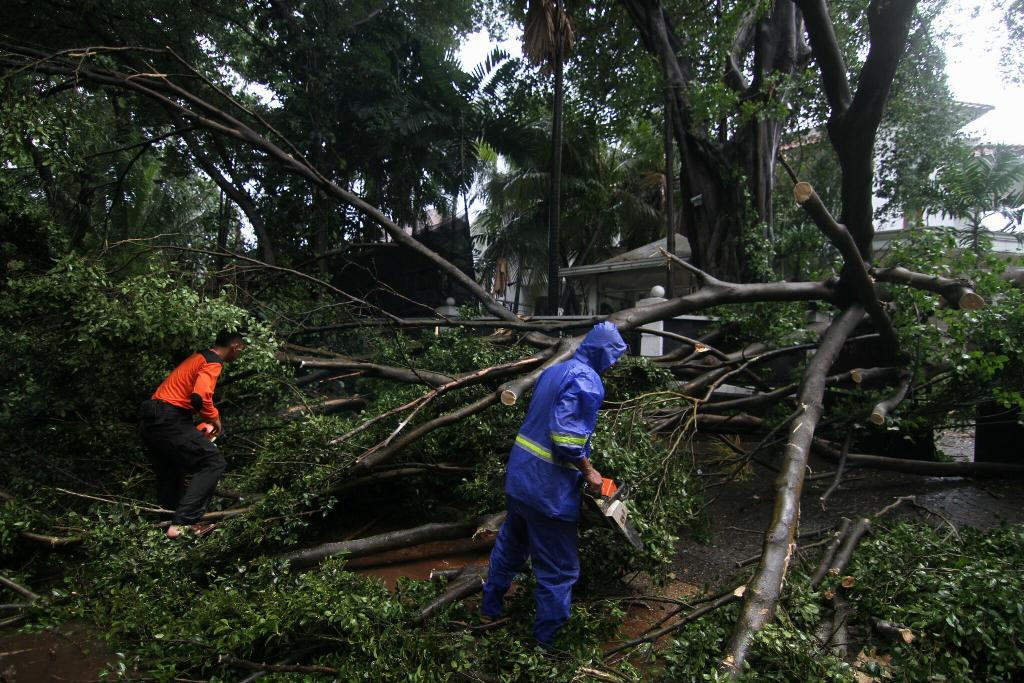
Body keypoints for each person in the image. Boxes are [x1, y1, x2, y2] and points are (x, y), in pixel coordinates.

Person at [481, 321, 628, 648]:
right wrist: (589, 472)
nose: (614, 364)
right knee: (558, 569)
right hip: (547, 490)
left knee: (511, 543)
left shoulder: (556, 371)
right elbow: (565, 438)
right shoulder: (588, 381)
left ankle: (489, 608)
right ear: (603, 353)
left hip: (520, 478)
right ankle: (546, 645)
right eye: (614, 356)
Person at [138, 329, 246, 538]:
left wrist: (200, 428)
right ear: (236, 346)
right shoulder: (213, 361)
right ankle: (183, 524)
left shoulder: (198, 357)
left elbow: (178, 404)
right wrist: (214, 417)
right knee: (213, 462)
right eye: (242, 349)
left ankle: (167, 524)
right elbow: (199, 398)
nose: (240, 354)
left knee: (172, 472)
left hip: (153, 422)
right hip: (167, 419)